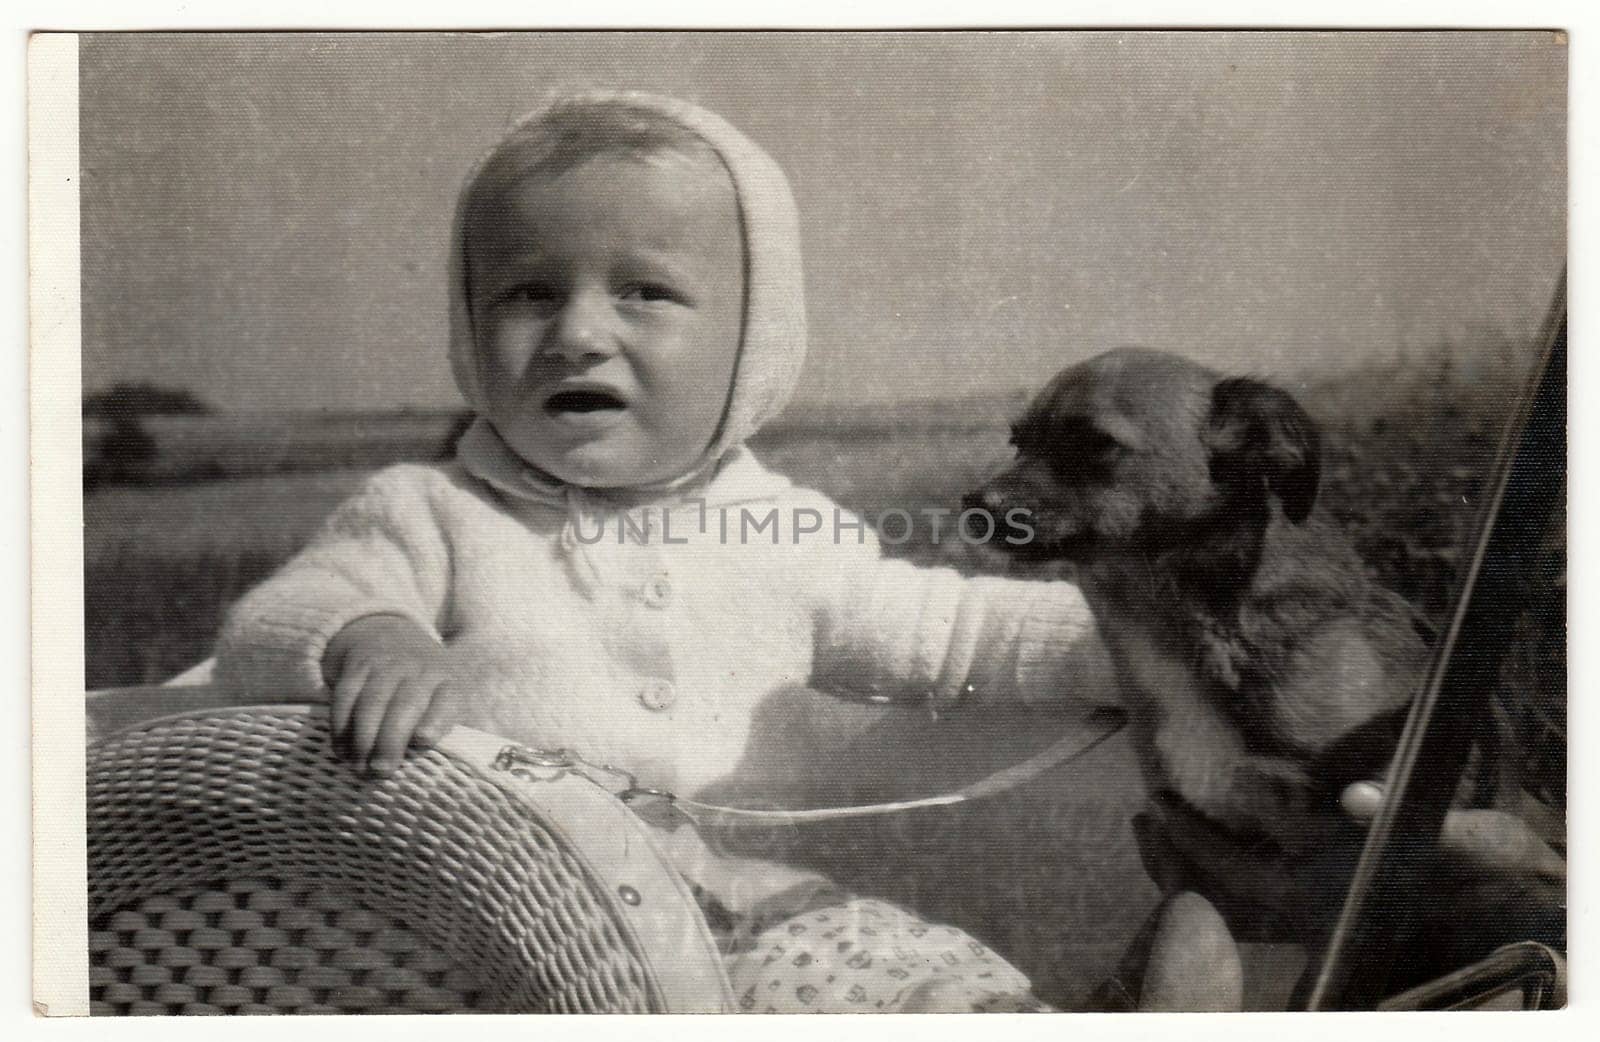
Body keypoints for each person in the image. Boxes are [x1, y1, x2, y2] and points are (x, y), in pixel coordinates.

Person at [213, 89, 1119, 1013]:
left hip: (710, 911)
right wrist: (371, 634)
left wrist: (1144, 641)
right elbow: (269, 624)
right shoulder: (432, 510)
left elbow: (955, 632)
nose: (576, 335)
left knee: (879, 968)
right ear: (468, 328)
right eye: (528, 292)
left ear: (750, 342)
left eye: (644, 291)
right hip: (472, 924)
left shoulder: (781, 530)